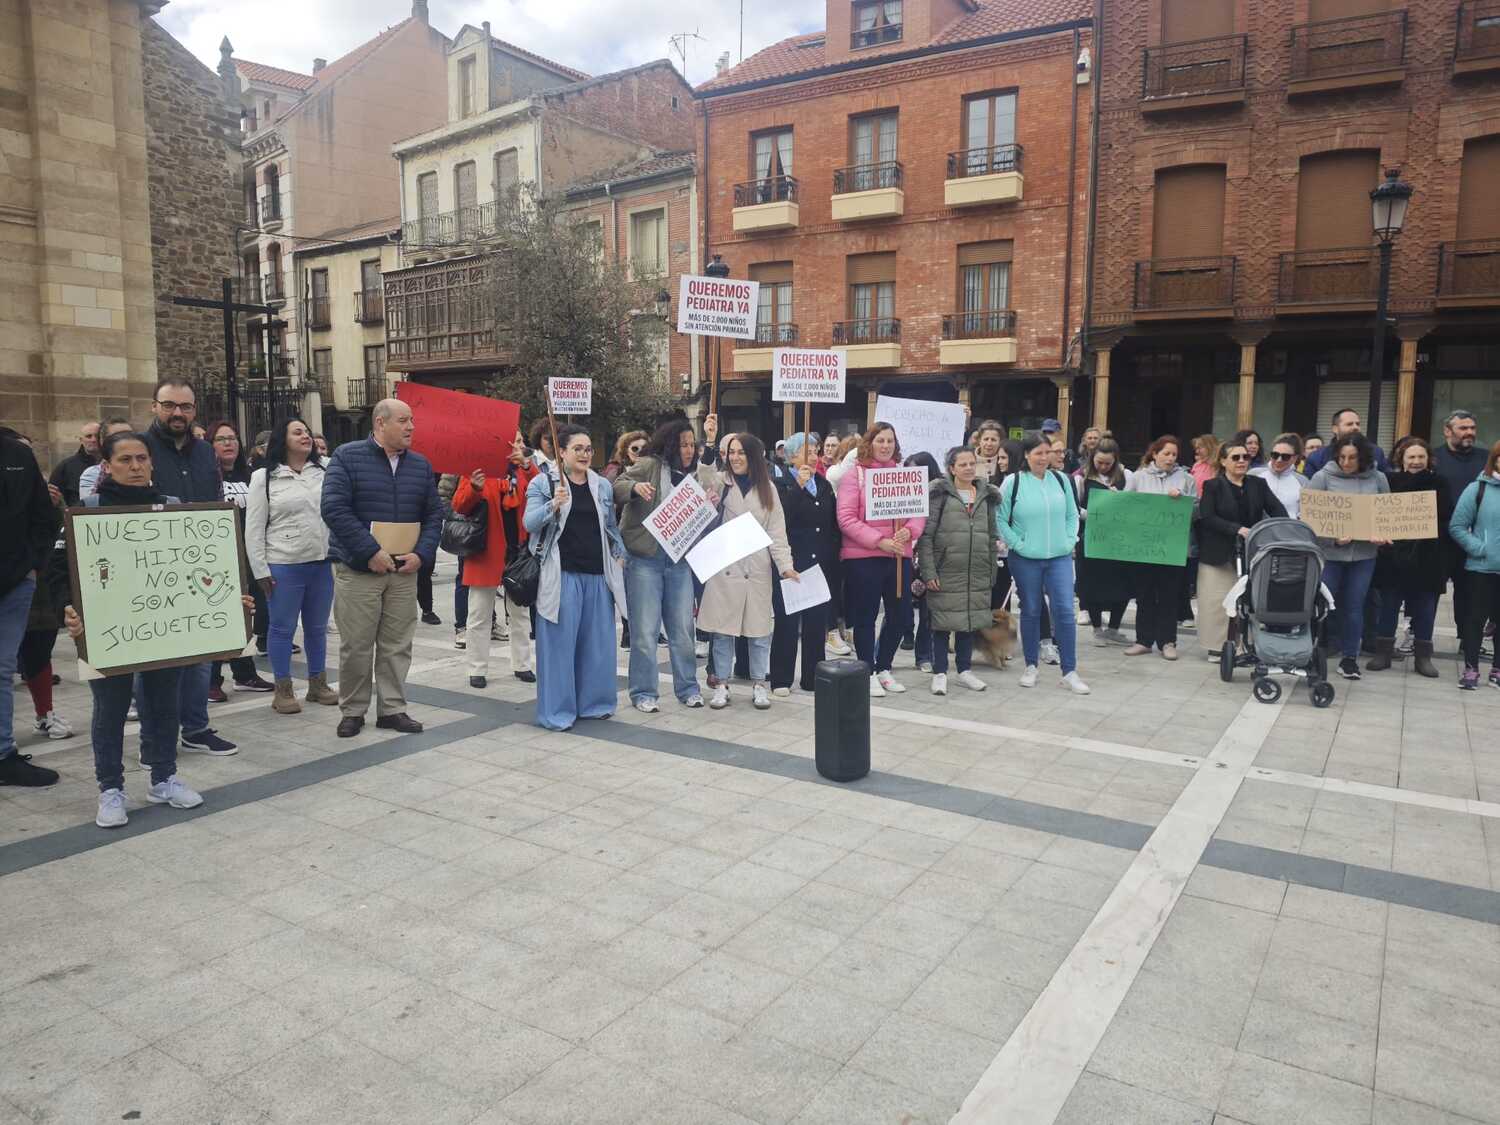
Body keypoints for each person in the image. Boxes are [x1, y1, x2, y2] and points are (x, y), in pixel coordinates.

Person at [65, 431, 246, 825]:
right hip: (109, 633)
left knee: (164, 705)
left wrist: (232, 601)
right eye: (125, 460)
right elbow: (64, 573)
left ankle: (163, 777)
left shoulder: (172, 507)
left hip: (164, 628)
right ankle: (110, 788)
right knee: (110, 709)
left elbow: (200, 568)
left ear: (151, 463)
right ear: (107, 466)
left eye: (141, 459)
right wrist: (71, 609)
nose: (135, 467)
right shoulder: (89, 510)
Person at [321, 398, 442, 737]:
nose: (411, 427)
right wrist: (370, 551)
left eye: (412, 421)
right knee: (357, 645)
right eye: (403, 421)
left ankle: (392, 709)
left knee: (397, 644)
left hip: (404, 572)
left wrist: (422, 554)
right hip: (360, 570)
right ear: (380, 424)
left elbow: (434, 514)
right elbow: (333, 508)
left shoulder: (419, 465)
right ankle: (353, 710)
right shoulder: (347, 457)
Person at [141, 377, 237, 757]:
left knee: (200, 657)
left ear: (194, 411)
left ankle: (195, 729)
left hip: (198, 569)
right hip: (151, 570)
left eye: (185, 406)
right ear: (155, 407)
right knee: (153, 665)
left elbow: (215, 502)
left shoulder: (204, 453)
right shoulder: (138, 448)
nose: (177, 413)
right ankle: (154, 740)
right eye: (169, 405)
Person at [524, 424, 629, 729]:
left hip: (597, 575)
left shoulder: (601, 485)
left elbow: (610, 525)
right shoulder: (543, 483)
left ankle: (595, 704)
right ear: (562, 452)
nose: (584, 454)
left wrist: (619, 554)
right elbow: (529, 523)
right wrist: (552, 504)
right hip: (562, 575)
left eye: (588, 449)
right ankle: (556, 712)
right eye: (578, 449)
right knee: (558, 647)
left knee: (597, 646)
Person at [615, 418, 719, 711]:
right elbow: (617, 485)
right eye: (684, 444)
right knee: (646, 631)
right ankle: (644, 692)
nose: (689, 450)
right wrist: (635, 488)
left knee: (683, 630)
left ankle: (688, 688)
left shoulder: (693, 477)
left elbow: (699, 521)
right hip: (645, 560)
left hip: (679, 562)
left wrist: (707, 504)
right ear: (671, 444)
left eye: (692, 445)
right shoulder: (650, 464)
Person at [699, 433, 796, 709]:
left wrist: (786, 567)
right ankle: (721, 685)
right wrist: (708, 444)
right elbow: (704, 477)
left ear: (753, 456)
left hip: (756, 568)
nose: (735, 458)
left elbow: (777, 532)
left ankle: (759, 684)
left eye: (741, 452)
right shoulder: (722, 482)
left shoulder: (769, 489)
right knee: (722, 630)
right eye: (731, 452)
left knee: (759, 630)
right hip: (726, 567)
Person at [247, 417, 337, 714]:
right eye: (297, 432)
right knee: (282, 628)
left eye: (307, 432)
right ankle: (283, 688)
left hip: (321, 562)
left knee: (316, 628)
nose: (305, 436)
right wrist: (260, 570)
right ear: (281, 440)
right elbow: (254, 528)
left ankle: (318, 683)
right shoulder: (265, 477)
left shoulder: (325, 469)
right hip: (283, 563)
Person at [995, 433, 1089, 694]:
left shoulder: (1061, 480)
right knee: (1032, 610)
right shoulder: (1013, 483)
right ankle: (1031, 666)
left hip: (1059, 557)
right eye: (1038, 453)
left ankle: (1069, 671)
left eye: (1048, 452)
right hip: (1025, 558)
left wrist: (1070, 540)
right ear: (1026, 455)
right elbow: (1000, 519)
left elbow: (1072, 514)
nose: (1044, 458)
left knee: (1065, 611)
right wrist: (1018, 544)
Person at [837, 422, 925, 697]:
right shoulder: (855, 476)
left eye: (890, 441)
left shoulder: (903, 475)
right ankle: (867, 670)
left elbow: (917, 512)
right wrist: (879, 540)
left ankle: (884, 666)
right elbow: (846, 518)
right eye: (880, 440)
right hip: (864, 557)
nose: (885, 446)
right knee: (866, 617)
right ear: (870, 443)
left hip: (898, 557)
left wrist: (910, 531)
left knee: (900, 616)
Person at [0, 428, 63, 787]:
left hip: (14, 580)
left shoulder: (18, 455)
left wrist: (31, 566)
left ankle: (3, 755)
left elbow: (43, 515)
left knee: (3, 668)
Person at [1305, 432, 1391, 680]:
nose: (1346, 462)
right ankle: (1313, 651)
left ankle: (1350, 658)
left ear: (1362, 457)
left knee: (1354, 606)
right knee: (1321, 604)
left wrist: (1381, 534)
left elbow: (1386, 514)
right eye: (1342, 457)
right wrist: (1332, 538)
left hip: (1364, 555)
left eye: (1352, 458)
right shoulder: (1322, 477)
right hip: (1331, 554)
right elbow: (1309, 519)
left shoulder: (1378, 478)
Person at [918, 446, 1000, 695]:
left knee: (968, 623)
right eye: (962, 464)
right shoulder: (939, 496)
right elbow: (926, 537)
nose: (968, 468)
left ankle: (964, 671)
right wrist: (929, 571)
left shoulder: (986, 496)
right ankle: (940, 672)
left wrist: (990, 571)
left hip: (975, 571)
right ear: (951, 468)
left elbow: (991, 536)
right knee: (942, 624)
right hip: (946, 571)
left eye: (971, 463)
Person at [1197, 440, 1287, 662]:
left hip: (1250, 552)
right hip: (1217, 553)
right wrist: (1237, 529)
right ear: (1223, 461)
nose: (1241, 461)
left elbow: (1277, 510)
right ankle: (1218, 647)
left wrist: (1285, 528)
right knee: (1216, 600)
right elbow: (1207, 517)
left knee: (1247, 601)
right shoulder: (1212, 486)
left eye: (1245, 457)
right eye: (1235, 457)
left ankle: (1244, 645)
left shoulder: (1258, 484)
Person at [1368, 436, 1446, 677]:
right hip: (1393, 555)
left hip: (1427, 556)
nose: (1416, 461)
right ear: (1401, 459)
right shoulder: (1389, 481)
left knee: (1424, 607)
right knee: (1389, 605)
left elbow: (1445, 516)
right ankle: (1383, 652)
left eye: (1421, 457)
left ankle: (1423, 658)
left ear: (1428, 459)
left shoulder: (1440, 483)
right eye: (1411, 457)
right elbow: (1377, 512)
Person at [208, 420, 273, 699]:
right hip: (217, 558)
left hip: (248, 555)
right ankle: (212, 679)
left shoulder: (251, 475)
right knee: (219, 617)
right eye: (221, 439)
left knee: (245, 615)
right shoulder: (207, 477)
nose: (228, 443)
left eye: (232, 438)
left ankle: (244, 674)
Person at [770, 432, 839, 696]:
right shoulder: (781, 483)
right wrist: (798, 488)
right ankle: (781, 678)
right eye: (806, 450)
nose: (813, 454)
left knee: (815, 624)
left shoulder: (823, 484)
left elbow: (831, 524)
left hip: (818, 563)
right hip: (792, 562)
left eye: (815, 450)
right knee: (787, 625)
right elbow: (782, 518)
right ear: (791, 455)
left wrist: (831, 554)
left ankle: (812, 677)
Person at [1124, 435, 1197, 660]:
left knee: (1169, 595)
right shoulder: (1138, 477)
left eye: (1174, 454)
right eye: (1166, 453)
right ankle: (1143, 640)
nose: (1170, 458)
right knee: (1144, 594)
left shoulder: (1186, 479)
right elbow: (1125, 507)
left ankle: (1168, 641)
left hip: (1172, 548)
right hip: (1144, 547)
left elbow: (1196, 510)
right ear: (1154, 454)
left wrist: (1182, 500)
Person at [1450, 440, 1500, 689]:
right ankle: (1471, 669)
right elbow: (1457, 526)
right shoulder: (1477, 488)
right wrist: (1481, 549)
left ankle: (1497, 669)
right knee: (1474, 620)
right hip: (1481, 569)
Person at [1075, 439, 1132, 645]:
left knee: (1122, 584)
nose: (1103, 467)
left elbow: (1136, 504)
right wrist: (1093, 514)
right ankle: (1097, 628)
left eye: (1108, 463)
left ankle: (1114, 628)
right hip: (1093, 539)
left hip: (1119, 541)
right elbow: (1074, 507)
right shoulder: (1081, 478)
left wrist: (1122, 500)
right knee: (1093, 585)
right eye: (1100, 462)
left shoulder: (1127, 476)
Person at [1432, 410, 1483, 637]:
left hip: (1473, 540)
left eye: (1472, 428)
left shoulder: (1487, 459)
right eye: (1463, 428)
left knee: (1470, 594)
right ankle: (1419, 636)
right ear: (1447, 431)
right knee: (1429, 591)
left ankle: (1469, 639)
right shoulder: (1432, 458)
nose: (1469, 433)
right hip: (1438, 539)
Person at [904, 451, 942, 671]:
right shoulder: (901, 492)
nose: (911, 475)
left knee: (929, 610)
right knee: (899, 608)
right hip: (906, 555)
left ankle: (924, 655)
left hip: (930, 557)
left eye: (915, 470)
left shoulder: (941, 494)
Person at [1304, 410, 1390, 474]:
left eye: (1358, 424)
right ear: (1335, 429)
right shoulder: (1317, 458)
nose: (1355, 427)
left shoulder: (1376, 453)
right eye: (1349, 424)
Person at [1250, 433, 1308, 519]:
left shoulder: (1303, 481)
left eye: (1285, 456)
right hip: (1258, 530)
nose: (1279, 460)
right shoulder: (1254, 474)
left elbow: (1305, 514)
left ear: (1295, 458)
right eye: (1275, 455)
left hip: (1289, 529)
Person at [77, 417, 133, 501]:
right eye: (117, 437)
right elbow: (89, 510)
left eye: (130, 436)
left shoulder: (142, 468)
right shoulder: (92, 474)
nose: (125, 441)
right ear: (102, 441)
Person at [48, 421, 101, 508]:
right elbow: (53, 501)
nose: (93, 440)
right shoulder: (65, 467)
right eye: (88, 436)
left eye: (97, 436)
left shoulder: (114, 464)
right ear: (81, 440)